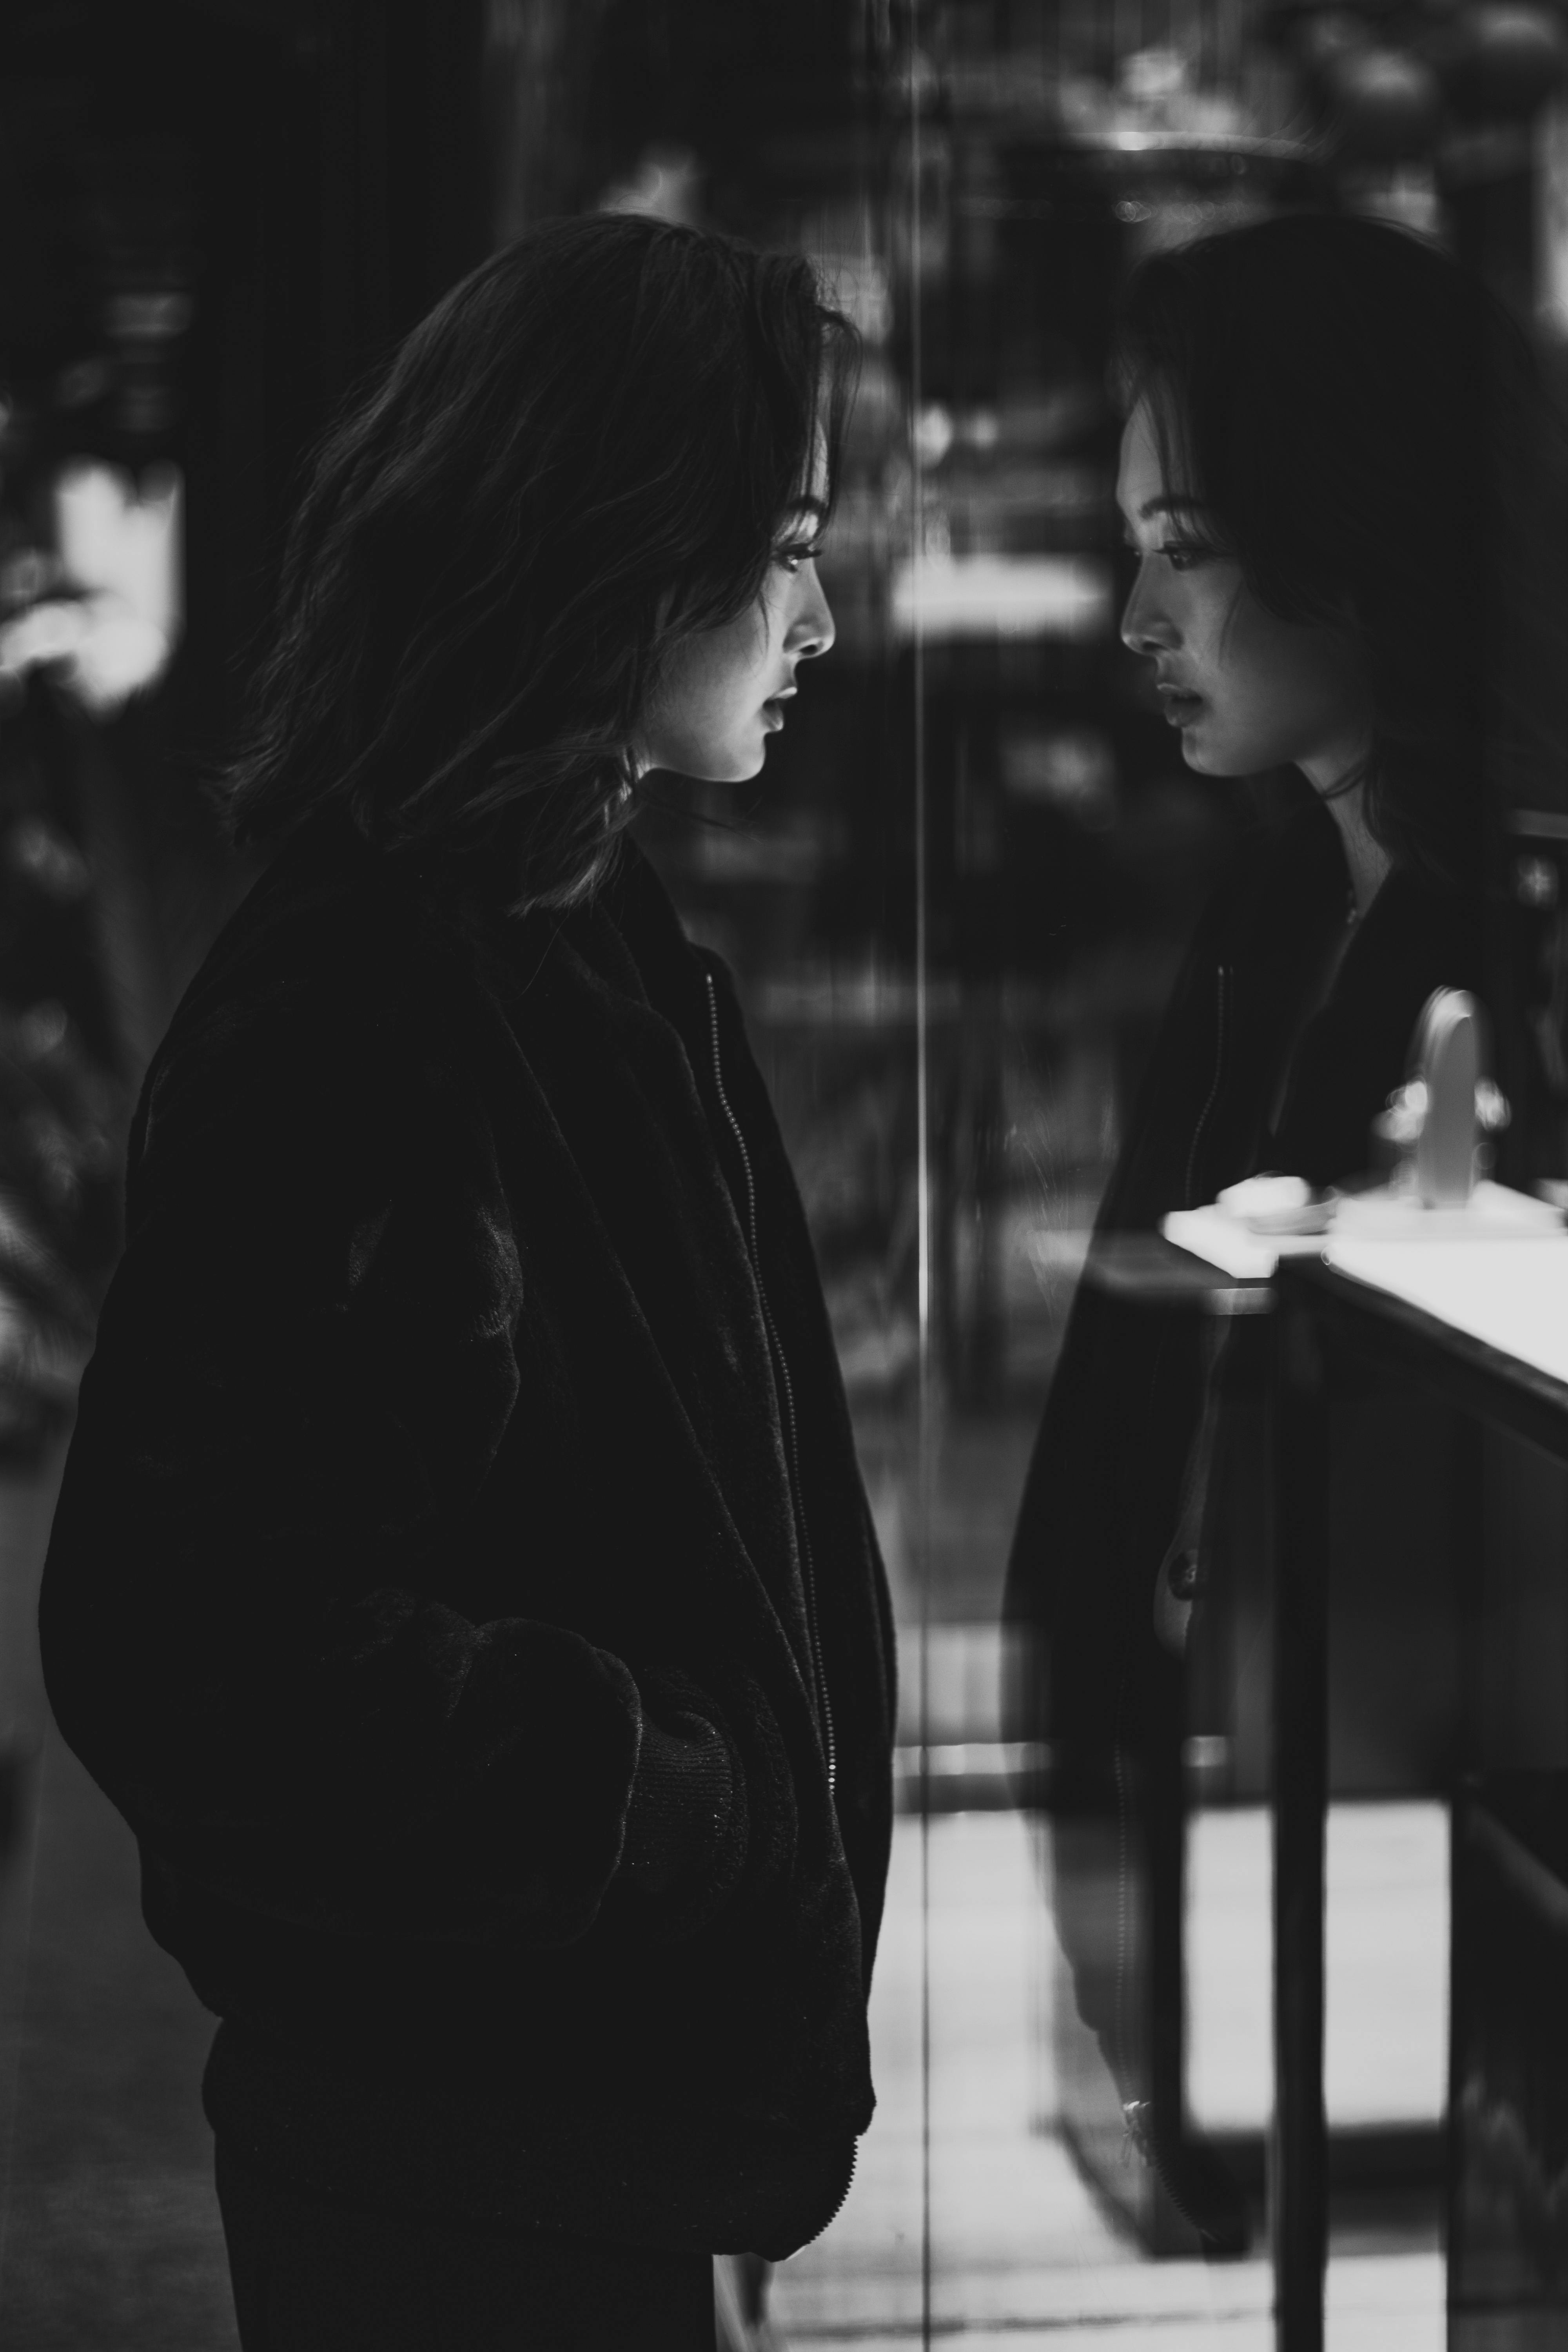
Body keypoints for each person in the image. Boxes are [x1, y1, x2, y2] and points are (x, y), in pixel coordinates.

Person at [38, 213, 896, 2350]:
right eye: (784, 545)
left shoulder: (563, 945)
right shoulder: (380, 993)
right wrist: (658, 1808)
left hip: (567, 2141)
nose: (822, 613)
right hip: (473, 2158)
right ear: (619, 549)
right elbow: (187, 1641)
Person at [1004, 212, 1564, 2253]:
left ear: (1360, 527)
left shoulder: (1483, 916)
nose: (1137, 609)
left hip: (1450, 1877)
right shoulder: (1281, 903)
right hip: (1307, 1868)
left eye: (1194, 541)